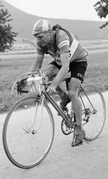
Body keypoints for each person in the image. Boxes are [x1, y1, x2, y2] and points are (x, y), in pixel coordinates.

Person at [29, 19, 89, 147]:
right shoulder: (41, 42)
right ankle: (63, 97)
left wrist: (55, 85)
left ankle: (79, 130)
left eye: (40, 37)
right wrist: (27, 78)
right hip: (61, 60)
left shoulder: (61, 37)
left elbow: (66, 66)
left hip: (77, 60)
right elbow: (38, 62)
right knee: (44, 76)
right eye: (36, 38)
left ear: (50, 32)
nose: (39, 40)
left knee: (73, 92)